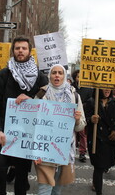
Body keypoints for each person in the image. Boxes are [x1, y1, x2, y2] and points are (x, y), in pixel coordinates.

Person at [0, 36, 48, 195]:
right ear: (13, 51)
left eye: (24, 48)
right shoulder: (3, 75)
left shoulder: (40, 77)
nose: (20, 51)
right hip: (2, 133)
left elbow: (48, 101)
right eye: (17, 48)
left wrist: (33, 100)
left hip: (26, 136)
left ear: (29, 51)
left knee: (21, 176)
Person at [33, 64, 86, 195]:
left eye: (60, 73)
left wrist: (77, 119)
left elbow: (80, 126)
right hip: (44, 147)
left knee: (56, 190)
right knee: (44, 190)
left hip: (65, 149)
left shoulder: (74, 96)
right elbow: (32, 121)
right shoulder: (41, 94)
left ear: (64, 76)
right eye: (54, 72)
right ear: (49, 76)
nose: (57, 75)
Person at [85, 89, 115, 195]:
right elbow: (84, 119)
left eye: (109, 87)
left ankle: (96, 182)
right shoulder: (91, 102)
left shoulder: (114, 102)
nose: (107, 90)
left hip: (110, 139)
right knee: (99, 166)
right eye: (103, 87)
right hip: (96, 139)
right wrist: (91, 119)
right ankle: (98, 191)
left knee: (106, 165)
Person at [71, 70, 93, 163]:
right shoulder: (71, 87)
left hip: (82, 113)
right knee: (72, 133)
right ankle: (72, 150)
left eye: (81, 76)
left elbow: (91, 101)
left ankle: (82, 152)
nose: (79, 78)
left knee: (82, 133)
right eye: (77, 76)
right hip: (69, 113)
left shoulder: (88, 88)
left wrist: (82, 105)